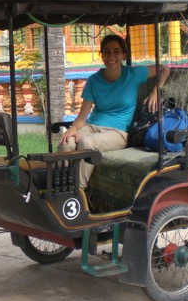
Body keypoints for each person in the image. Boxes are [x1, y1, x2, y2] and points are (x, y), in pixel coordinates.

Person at [58, 34, 169, 190]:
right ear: (101, 55)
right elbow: (82, 117)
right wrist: (73, 129)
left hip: (117, 133)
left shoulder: (133, 74)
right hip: (92, 126)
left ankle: (77, 193)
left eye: (117, 51)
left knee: (87, 143)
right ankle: (60, 188)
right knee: (67, 142)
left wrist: (156, 91)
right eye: (107, 52)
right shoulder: (94, 80)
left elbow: (164, 67)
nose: (111, 56)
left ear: (124, 55)